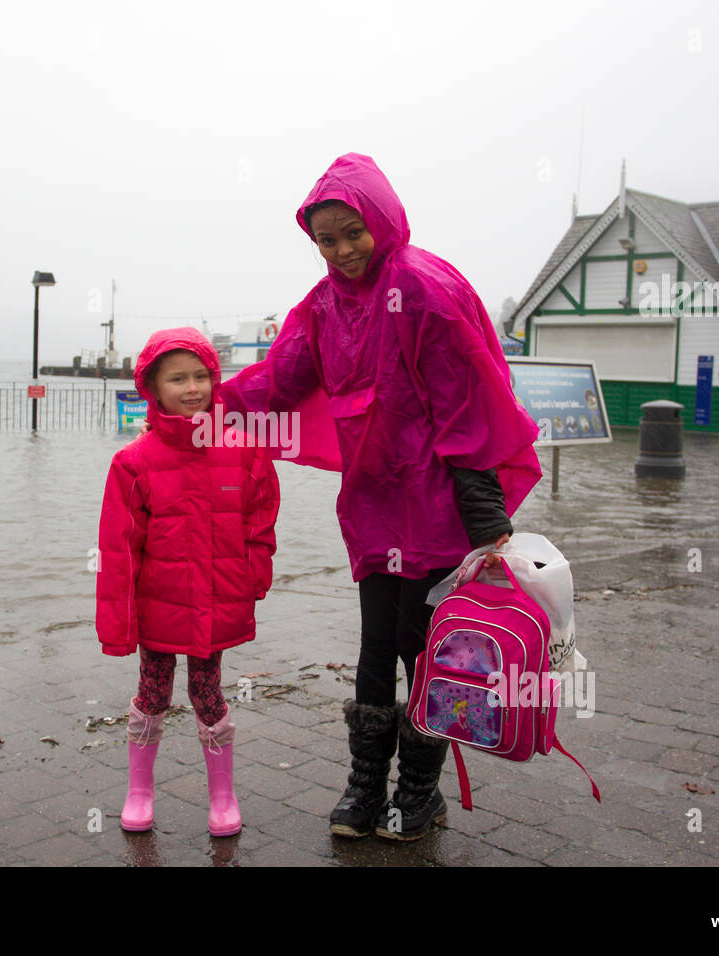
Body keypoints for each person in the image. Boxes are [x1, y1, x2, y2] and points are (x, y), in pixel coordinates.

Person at [220, 153, 542, 841]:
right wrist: (203, 405)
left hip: (435, 504)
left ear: (381, 219)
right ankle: (366, 786)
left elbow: (463, 406)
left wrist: (485, 514)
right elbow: (278, 382)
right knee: (374, 647)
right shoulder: (320, 307)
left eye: (351, 232)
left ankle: (418, 791)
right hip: (370, 506)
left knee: (423, 647)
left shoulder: (423, 288)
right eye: (325, 240)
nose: (341, 250)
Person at [95, 327, 281, 837]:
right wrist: (118, 625)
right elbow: (118, 549)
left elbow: (259, 522)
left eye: (202, 376)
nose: (193, 387)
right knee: (152, 692)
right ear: (152, 386)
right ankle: (139, 790)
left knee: (209, 693)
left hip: (218, 601)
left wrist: (251, 582)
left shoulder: (243, 450)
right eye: (178, 378)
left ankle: (222, 795)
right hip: (160, 608)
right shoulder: (132, 461)